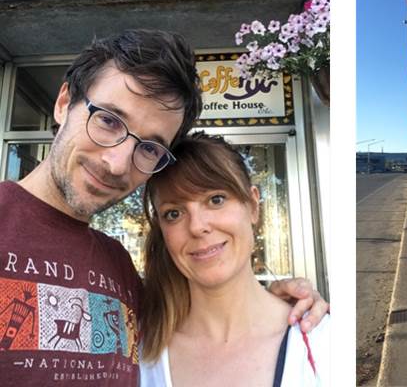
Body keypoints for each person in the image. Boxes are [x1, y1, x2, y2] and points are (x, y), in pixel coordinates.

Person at [0, 30, 326, 385]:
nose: (117, 162)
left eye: (149, 148)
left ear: (253, 206)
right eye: (108, 120)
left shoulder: (120, 272)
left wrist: (281, 300)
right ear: (64, 103)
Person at [139, 133, 330, 386]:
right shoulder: (136, 353)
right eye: (173, 213)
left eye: (216, 200)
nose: (197, 226)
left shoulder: (325, 343)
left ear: (252, 205)